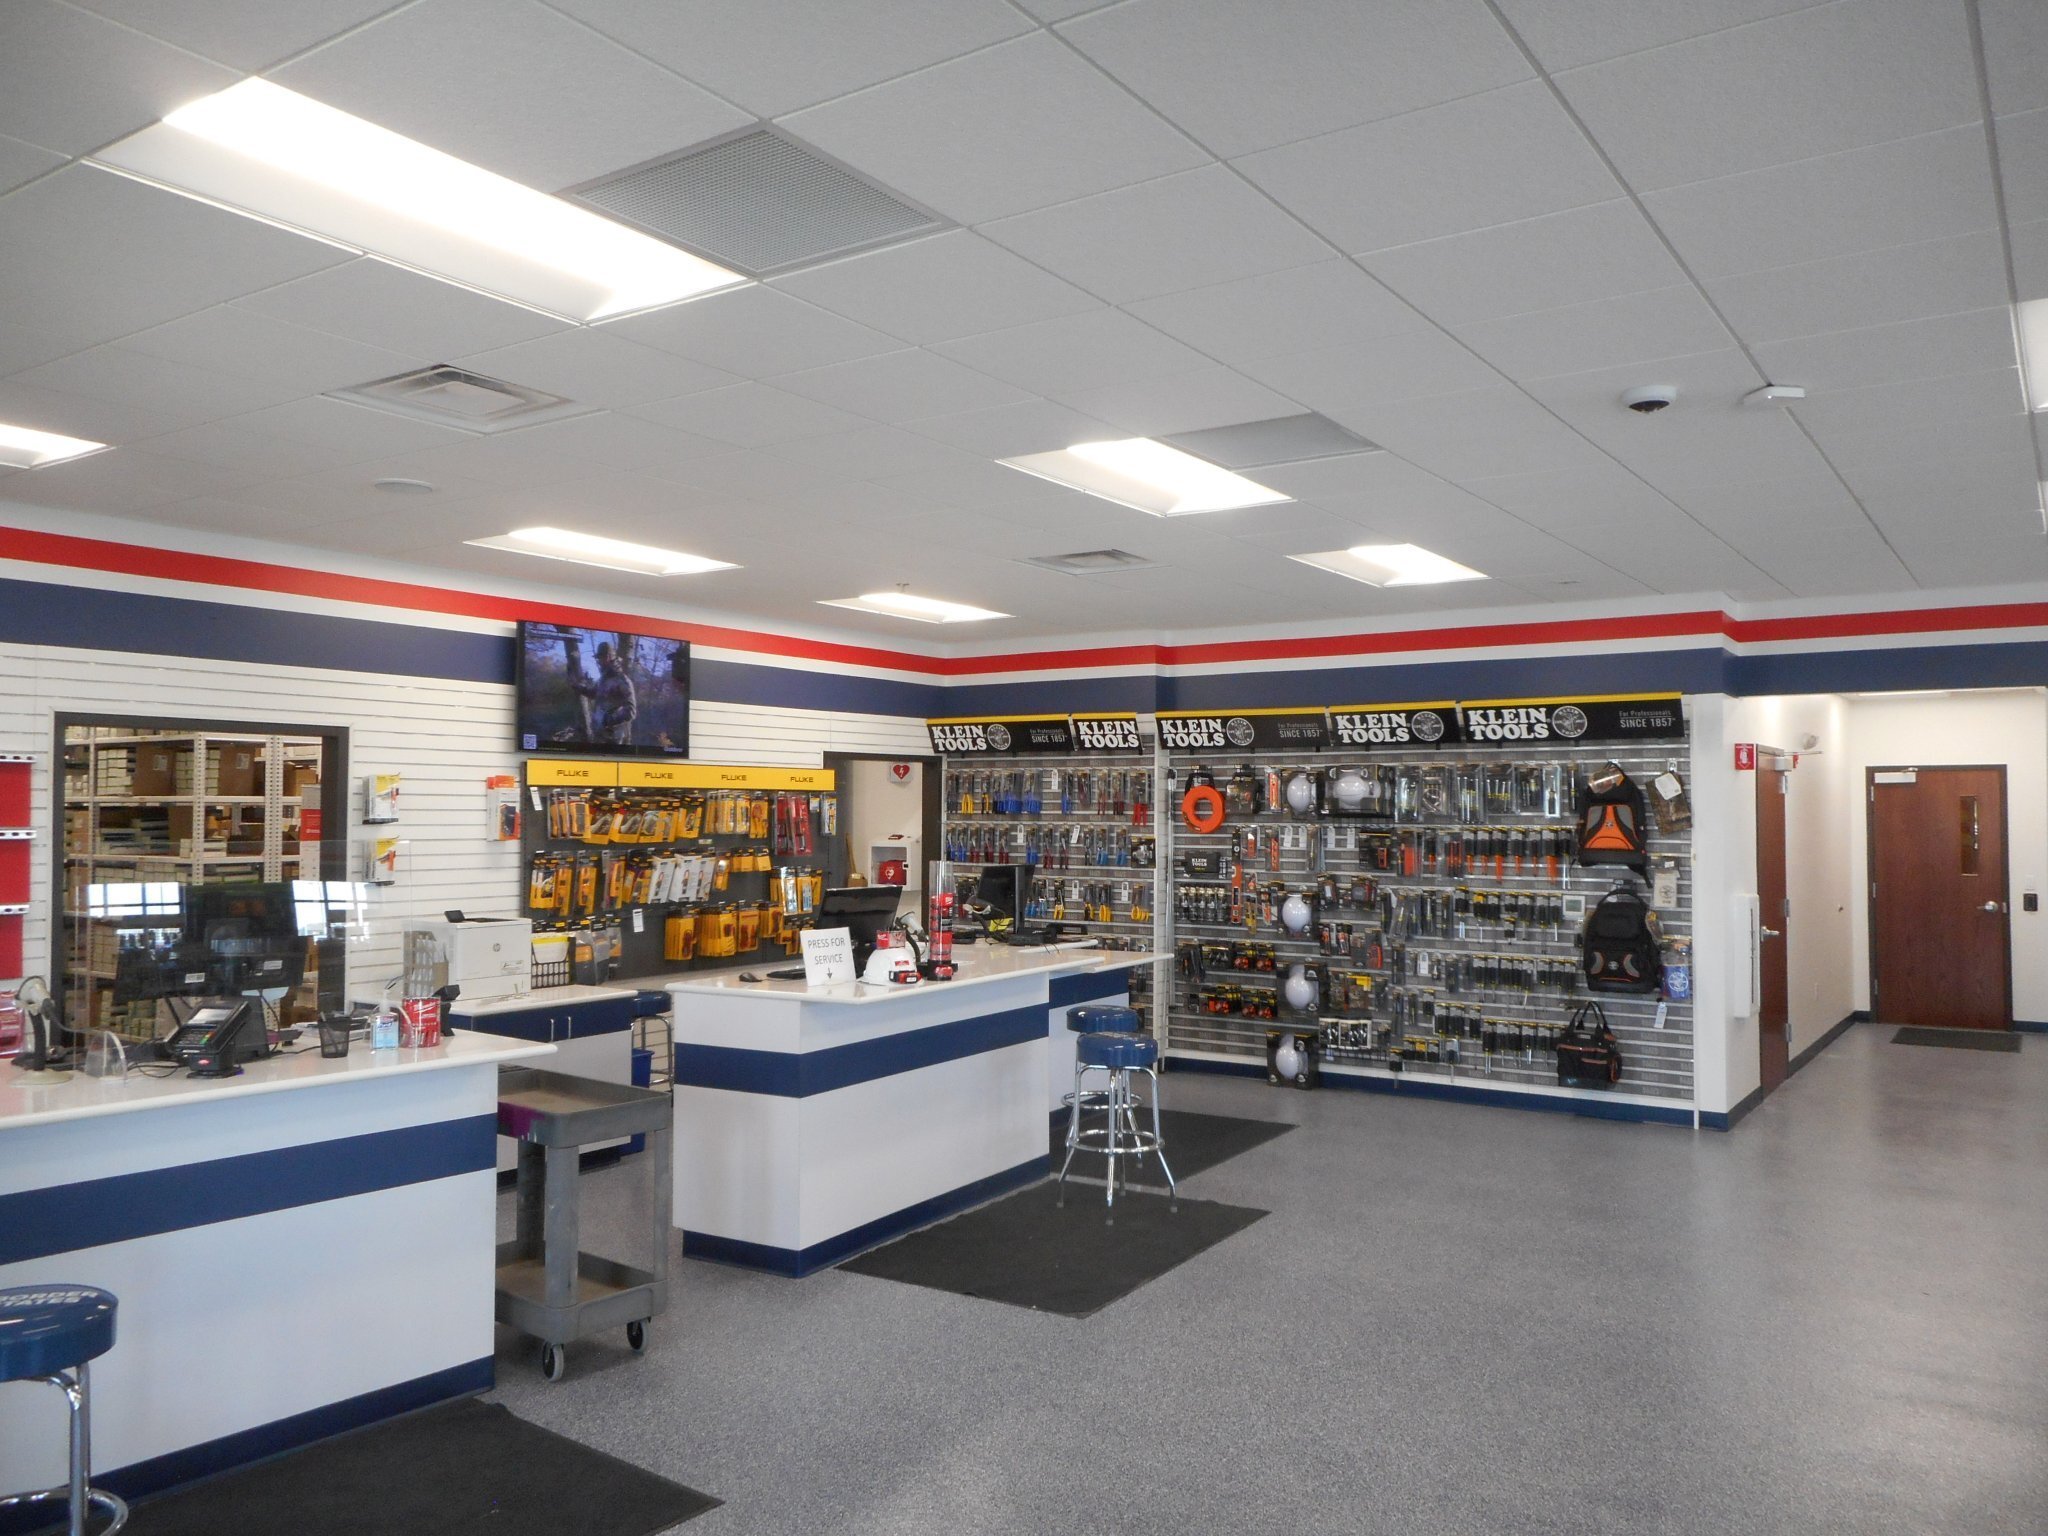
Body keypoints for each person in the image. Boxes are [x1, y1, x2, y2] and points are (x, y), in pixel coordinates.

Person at [572, 640, 637, 745]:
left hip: (615, 740)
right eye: (598, 658)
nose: (598, 661)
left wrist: (607, 719)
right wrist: (578, 687)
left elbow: (631, 711)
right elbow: (593, 693)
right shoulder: (603, 679)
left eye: (600, 658)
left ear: (608, 657)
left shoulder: (622, 680)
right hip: (600, 736)